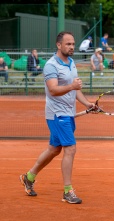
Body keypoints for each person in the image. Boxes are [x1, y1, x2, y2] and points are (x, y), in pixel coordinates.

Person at [19, 31, 95, 204]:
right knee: (70, 149)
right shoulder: (51, 65)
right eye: (68, 44)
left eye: (73, 44)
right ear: (59, 45)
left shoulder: (72, 63)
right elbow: (53, 90)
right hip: (57, 114)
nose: (72, 47)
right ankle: (68, 191)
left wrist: (88, 103)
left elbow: (75, 89)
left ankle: (29, 177)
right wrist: (72, 85)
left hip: (68, 113)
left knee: (54, 149)